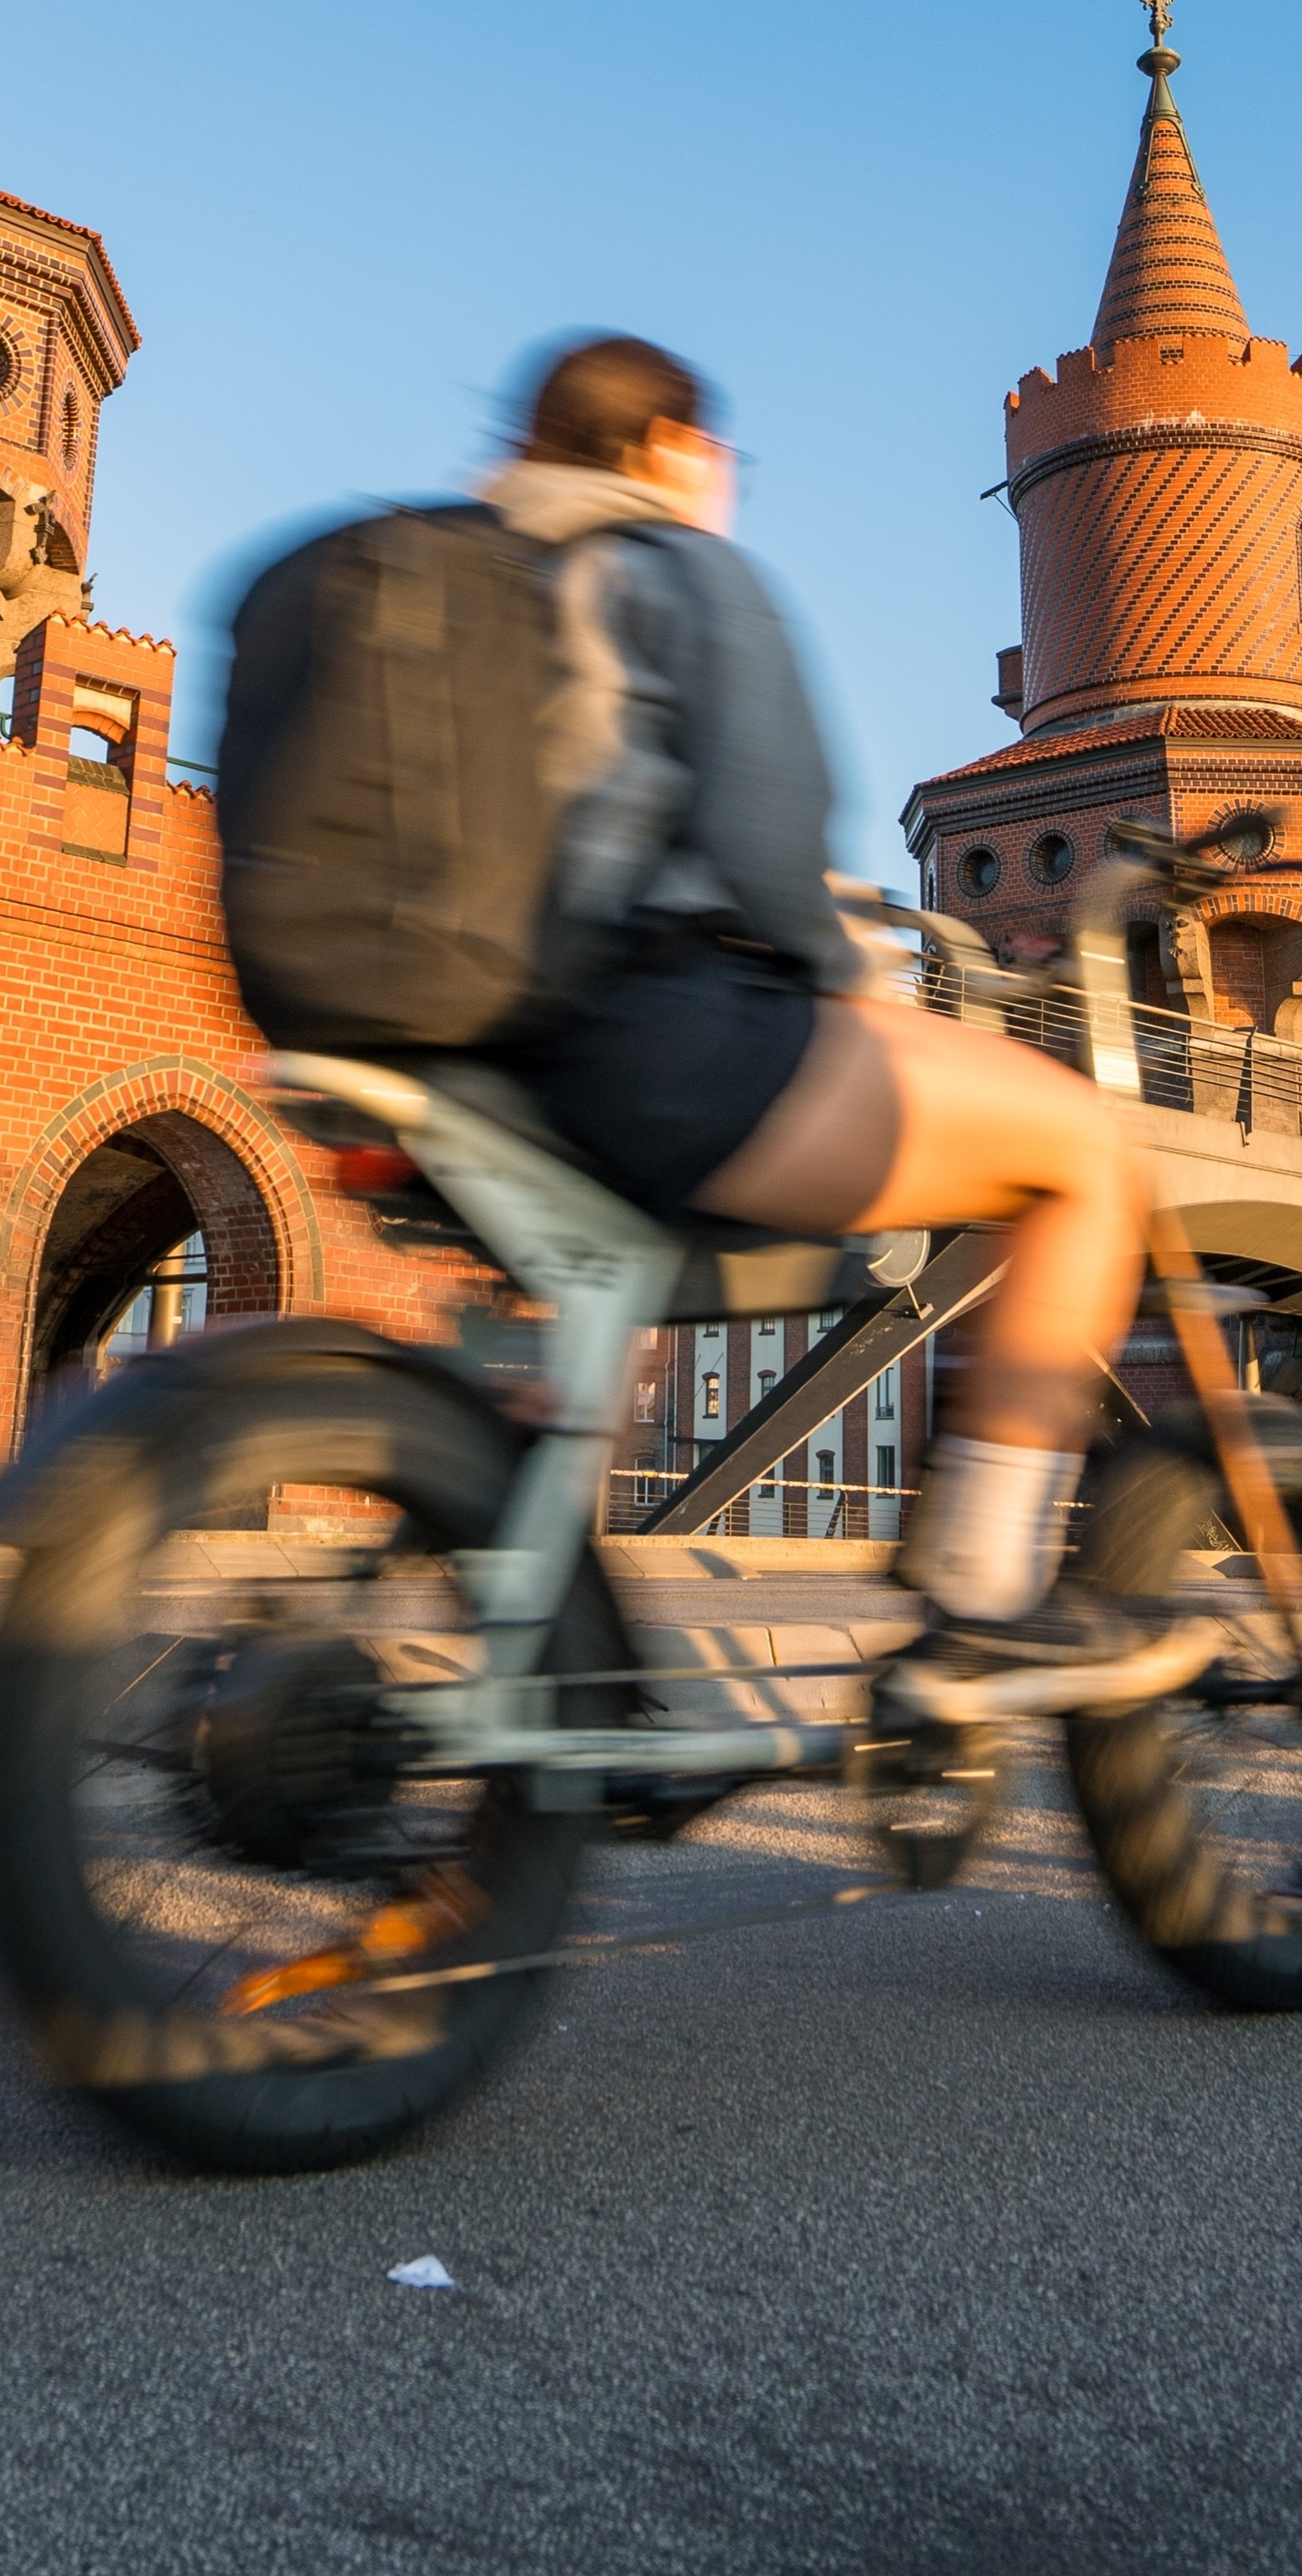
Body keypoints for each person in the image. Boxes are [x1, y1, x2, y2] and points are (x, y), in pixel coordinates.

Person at [468, 332, 1206, 1722]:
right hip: (667, 1045)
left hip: (494, 1065)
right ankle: (987, 1600)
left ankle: (539, 1607)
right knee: (1083, 1154)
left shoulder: (457, 573)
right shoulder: (684, 571)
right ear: (674, 451)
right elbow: (764, 842)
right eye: (718, 461)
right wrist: (842, 992)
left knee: (622, 1292)